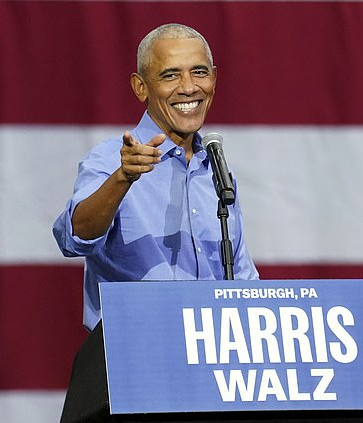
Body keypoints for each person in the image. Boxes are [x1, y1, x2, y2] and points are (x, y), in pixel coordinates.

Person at [53, 23, 259, 331]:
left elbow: (242, 279)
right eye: (170, 75)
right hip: (136, 354)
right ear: (140, 87)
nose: (189, 87)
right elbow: (75, 238)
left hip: (210, 357)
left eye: (199, 72)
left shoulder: (216, 169)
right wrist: (123, 178)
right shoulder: (111, 160)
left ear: (214, 78)